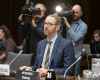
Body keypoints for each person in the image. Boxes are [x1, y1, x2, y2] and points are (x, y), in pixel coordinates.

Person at [33, 15, 75, 79]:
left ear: (57, 27)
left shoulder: (66, 44)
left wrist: (48, 71)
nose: (46, 26)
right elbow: (36, 66)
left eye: (50, 24)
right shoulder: (40, 44)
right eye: (45, 23)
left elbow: (68, 70)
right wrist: (28, 69)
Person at [65, 4, 87, 77]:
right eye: (73, 12)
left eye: (77, 12)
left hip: (75, 56)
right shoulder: (69, 22)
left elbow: (76, 38)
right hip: (66, 55)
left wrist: (67, 25)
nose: (74, 14)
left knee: (74, 76)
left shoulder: (83, 25)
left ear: (81, 13)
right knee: (65, 75)